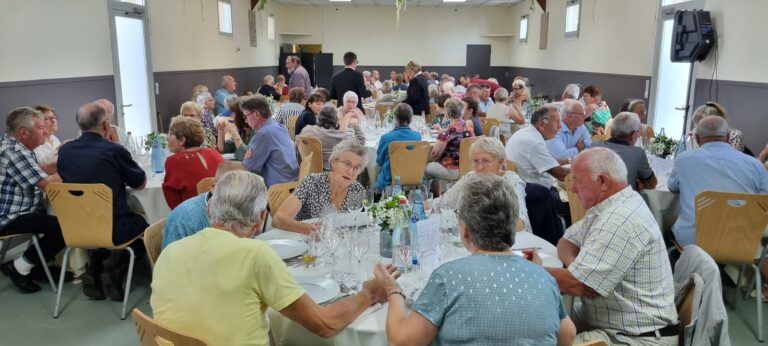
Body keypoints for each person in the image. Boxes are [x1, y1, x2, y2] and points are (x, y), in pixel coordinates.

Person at [152, 170, 395, 345]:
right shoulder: (255, 255)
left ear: (209, 208)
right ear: (260, 219)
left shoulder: (170, 252)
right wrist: (369, 293)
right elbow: (326, 325)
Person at [377, 174, 576, 346]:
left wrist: (393, 290)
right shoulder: (543, 278)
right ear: (512, 229)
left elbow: (402, 341)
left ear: (464, 232)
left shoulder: (448, 277)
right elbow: (567, 335)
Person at [533, 147, 678, 345]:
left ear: (603, 181)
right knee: (534, 323)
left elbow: (578, 285)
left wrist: (527, 270)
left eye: (577, 180)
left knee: (537, 340)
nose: (572, 188)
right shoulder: (610, 205)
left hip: (636, 336)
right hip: (610, 318)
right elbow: (567, 241)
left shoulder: (619, 219)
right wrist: (577, 267)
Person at [58, 102, 148, 301]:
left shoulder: (65, 151)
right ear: (107, 126)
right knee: (146, 224)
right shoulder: (113, 151)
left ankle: (95, 267)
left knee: (100, 226)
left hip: (75, 227)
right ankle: (117, 270)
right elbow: (140, 183)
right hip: (113, 227)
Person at [668, 115, 768, 247]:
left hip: (693, 242)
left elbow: (672, 187)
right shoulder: (755, 165)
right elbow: (764, 201)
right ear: (728, 137)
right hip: (741, 242)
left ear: (697, 138)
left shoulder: (683, 160)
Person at [0, 107, 66, 294]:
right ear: (23, 133)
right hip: (12, 215)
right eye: (40, 127)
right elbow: (47, 185)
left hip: (25, 209)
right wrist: (75, 167)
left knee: (60, 219)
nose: (45, 131)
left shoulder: (16, 147)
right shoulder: (15, 153)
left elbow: (39, 172)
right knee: (67, 227)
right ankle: (20, 266)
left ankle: (37, 266)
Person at [434, 137, 531, 232]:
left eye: (486, 161)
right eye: (475, 161)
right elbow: (442, 204)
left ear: (501, 162)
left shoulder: (511, 182)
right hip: (470, 240)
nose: (480, 167)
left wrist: (476, 227)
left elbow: (519, 223)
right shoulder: (470, 178)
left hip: (507, 242)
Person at [272, 139, 368, 234]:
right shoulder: (312, 182)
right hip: (307, 242)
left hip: (337, 244)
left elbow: (357, 226)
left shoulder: (357, 190)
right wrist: (307, 228)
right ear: (333, 162)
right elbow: (278, 219)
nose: (351, 172)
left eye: (356, 168)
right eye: (347, 164)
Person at [161, 161, 248, 249]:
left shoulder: (246, 206)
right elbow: (174, 259)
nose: (238, 197)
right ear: (213, 186)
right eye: (230, 191)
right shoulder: (187, 219)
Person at [162, 116, 224, 209]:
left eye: (170, 134)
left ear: (182, 140)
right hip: (221, 212)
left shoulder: (174, 161)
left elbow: (174, 204)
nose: (167, 138)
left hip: (193, 215)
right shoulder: (214, 152)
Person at [505, 105, 570, 188]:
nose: (560, 126)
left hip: (525, 187)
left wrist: (570, 160)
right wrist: (584, 169)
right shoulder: (533, 142)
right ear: (542, 124)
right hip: (537, 194)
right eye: (557, 121)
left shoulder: (527, 133)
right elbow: (562, 175)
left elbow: (550, 161)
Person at [241, 95, 298, 187]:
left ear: (256, 114)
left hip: (276, 190)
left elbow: (247, 168)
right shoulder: (278, 127)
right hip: (290, 183)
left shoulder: (263, 134)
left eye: (246, 116)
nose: (246, 121)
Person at [592, 112, 657, 190]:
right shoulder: (637, 153)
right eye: (638, 134)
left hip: (593, 199)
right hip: (622, 200)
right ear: (632, 135)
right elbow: (652, 183)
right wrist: (637, 184)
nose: (638, 136)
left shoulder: (593, 146)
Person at [299, 106, 365, 171]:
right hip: (332, 172)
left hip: (309, 169)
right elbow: (361, 142)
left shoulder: (307, 130)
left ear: (319, 118)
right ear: (336, 119)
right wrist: (355, 125)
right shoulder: (342, 136)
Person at [375, 103, 422, 191]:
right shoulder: (417, 136)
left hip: (390, 179)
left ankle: (376, 196)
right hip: (413, 176)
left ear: (395, 118)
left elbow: (379, 162)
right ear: (411, 119)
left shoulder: (386, 138)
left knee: (376, 170)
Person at [425, 98, 474, 182]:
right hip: (467, 169)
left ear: (447, 113)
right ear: (461, 112)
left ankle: (431, 193)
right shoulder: (469, 129)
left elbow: (435, 155)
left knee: (420, 168)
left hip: (451, 170)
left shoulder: (447, 132)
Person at [216, 96, 251, 161]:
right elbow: (222, 149)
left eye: (234, 113)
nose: (231, 116)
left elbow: (247, 158)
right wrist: (221, 131)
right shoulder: (242, 131)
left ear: (242, 115)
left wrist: (235, 134)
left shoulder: (257, 132)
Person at [32, 104, 61, 171]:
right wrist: (60, 148)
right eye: (47, 118)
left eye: (54, 117)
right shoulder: (34, 140)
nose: (53, 121)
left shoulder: (54, 138)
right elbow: (40, 165)